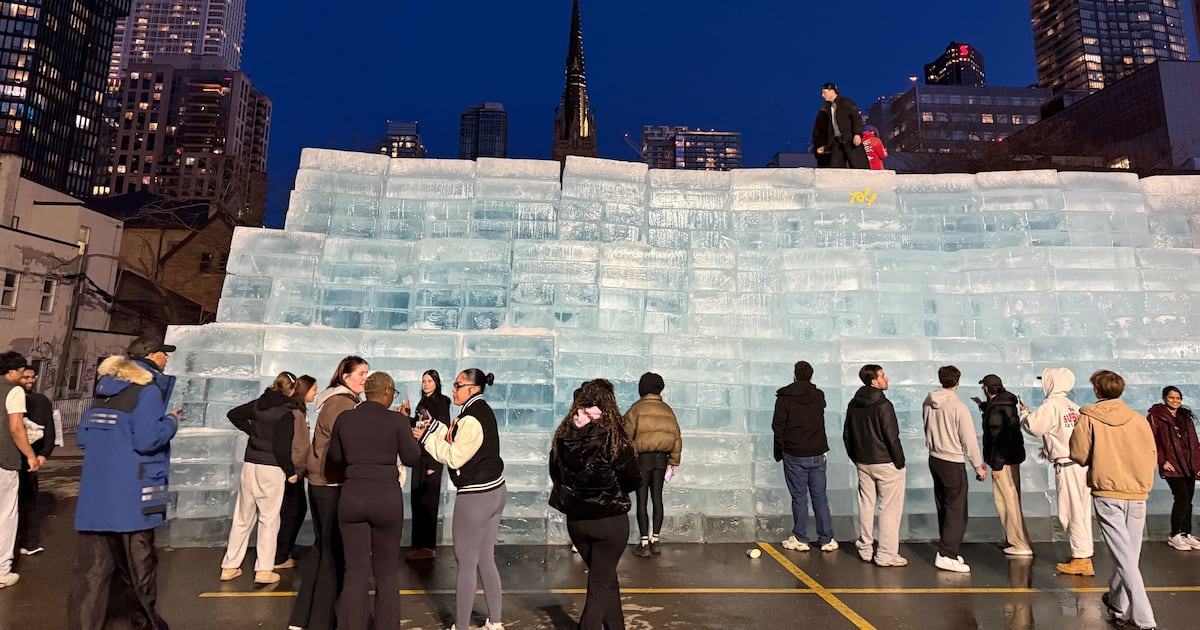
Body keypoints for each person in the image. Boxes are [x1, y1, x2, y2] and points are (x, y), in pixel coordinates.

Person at [66, 337, 178, 628]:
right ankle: (145, 624)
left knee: (91, 573)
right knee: (139, 569)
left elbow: (84, 438)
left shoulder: (105, 389)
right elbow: (147, 439)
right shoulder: (148, 390)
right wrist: (170, 422)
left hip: (96, 496)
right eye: (164, 354)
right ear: (152, 356)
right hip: (132, 496)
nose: (167, 359)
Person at [326, 371, 425, 630]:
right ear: (387, 392)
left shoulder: (345, 418)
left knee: (355, 572)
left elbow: (335, 458)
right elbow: (413, 458)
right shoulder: (396, 421)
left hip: (353, 496)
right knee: (387, 573)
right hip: (385, 498)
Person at [417, 368, 507, 630]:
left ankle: (462, 625)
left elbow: (455, 456)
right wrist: (432, 427)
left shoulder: (470, 419)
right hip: (495, 491)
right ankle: (496, 622)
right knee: (485, 559)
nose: (453, 389)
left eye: (457, 385)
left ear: (472, 388)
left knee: (466, 564)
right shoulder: (480, 411)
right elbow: (456, 437)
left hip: (476, 497)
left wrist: (424, 438)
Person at [1070, 370, 1158, 630]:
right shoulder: (1138, 419)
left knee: (1125, 556)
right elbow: (1151, 454)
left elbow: (1079, 454)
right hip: (1137, 492)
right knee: (1130, 554)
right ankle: (1119, 604)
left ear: (1097, 390)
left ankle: (1144, 618)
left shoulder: (1088, 418)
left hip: (1108, 492)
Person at [550, 379, 641, 630]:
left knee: (606, 580)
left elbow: (556, 474)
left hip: (577, 521)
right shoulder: (614, 438)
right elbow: (633, 478)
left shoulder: (563, 437)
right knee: (601, 584)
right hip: (609, 521)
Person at [289, 356, 368, 630]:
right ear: (345, 377)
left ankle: (303, 618)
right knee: (332, 553)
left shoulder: (342, 402)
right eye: (360, 373)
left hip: (324, 482)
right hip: (330, 483)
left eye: (367, 374)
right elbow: (346, 443)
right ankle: (321, 619)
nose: (364, 379)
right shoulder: (341, 404)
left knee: (322, 549)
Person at [218, 371, 299, 584]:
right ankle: (264, 569)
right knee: (269, 519)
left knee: (243, 518)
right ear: (292, 390)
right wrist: (290, 472)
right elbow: (282, 448)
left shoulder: (258, 404)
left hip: (250, 465)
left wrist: (252, 431)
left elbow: (233, 414)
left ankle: (229, 565)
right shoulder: (286, 413)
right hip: (271, 469)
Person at [1020, 368, 1093, 575]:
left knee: (1070, 512)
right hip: (1081, 464)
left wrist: (1024, 414)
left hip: (1068, 466)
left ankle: (1082, 559)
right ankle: (1083, 554)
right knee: (1081, 511)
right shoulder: (1073, 406)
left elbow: (1034, 427)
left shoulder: (1051, 405)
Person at [922, 365, 985, 573]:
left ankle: (948, 548)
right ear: (958, 382)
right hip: (952, 461)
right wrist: (979, 466)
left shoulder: (928, 401)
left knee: (944, 506)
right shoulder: (958, 407)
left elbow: (926, 426)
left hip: (935, 458)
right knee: (957, 509)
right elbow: (968, 440)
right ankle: (947, 553)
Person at [843, 364, 907, 567]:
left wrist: (856, 457)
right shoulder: (883, 405)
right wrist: (899, 462)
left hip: (863, 461)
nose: (886, 378)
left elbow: (847, 434)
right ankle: (886, 554)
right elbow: (892, 436)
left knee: (866, 504)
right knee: (889, 508)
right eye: (882, 376)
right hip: (885, 462)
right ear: (874, 382)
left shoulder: (854, 403)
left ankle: (865, 547)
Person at [773, 360, 837, 553]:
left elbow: (778, 425)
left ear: (794, 374)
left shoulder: (785, 397)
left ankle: (801, 537)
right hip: (817, 452)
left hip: (794, 453)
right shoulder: (818, 396)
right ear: (811, 375)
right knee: (820, 497)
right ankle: (826, 538)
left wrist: (780, 449)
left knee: (799, 497)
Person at [623, 372, 682, 558]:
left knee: (642, 500)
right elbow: (676, 437)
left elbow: (626, 437)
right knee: (657, 498)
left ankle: (643, 543)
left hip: (641, 460)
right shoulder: (667, 410)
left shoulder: (635, 409)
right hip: (661, 460)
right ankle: (655, 540)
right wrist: (673, 461)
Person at [973, 374, 1032, 556]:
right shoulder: (1005, 404)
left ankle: (1020, 544)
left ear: (986, 389)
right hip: (1011, 458)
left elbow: (1000, 437)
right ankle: (1013, 538)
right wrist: (982, 406)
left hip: (1003, 462)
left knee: (1008, 501)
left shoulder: (998, 409)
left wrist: (996, 466)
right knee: (1010, 500)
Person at [400, 369, 451, 561]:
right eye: (423, 381)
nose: (426, 384)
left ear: (436, 382)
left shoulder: (442, 401)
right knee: (417, 499)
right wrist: (406, 417)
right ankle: (417, 543)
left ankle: (427, 546)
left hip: (432, 457)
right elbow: (419, 427)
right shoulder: (422, 403)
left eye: (429, 380)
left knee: (428, 502)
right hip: (420, 456)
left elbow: (442, 429)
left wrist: (432, 462)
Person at [1, 351, 39, 589]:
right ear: (13, 371)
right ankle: (2, 570)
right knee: (6, 514)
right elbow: (16, 428)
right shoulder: (14, 391)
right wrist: (30, 455)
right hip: (3, 459)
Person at [1147, 385, 1200, 551]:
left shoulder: (1185, 416)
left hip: (1188, 463)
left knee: (1188, 500)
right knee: (1182, 497)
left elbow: (1193, 441)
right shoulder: (1155, 416)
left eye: (1178, 398)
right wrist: (1162, 460)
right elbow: (1151, 440)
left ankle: (1186, 533)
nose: (1175, 401)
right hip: (1172, 464)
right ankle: (1174, 534)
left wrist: (1198, 464)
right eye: (1171, 398)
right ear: (1164, 398)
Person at [275, 374, 317, 569]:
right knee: (292, 510)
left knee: (296, 509)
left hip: (296, 469)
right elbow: (298, 445)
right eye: (313, 389)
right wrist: (300, 468)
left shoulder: (300, 411)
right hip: (294, 471)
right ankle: (280, 556)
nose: (315, 393)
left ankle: (286, 548)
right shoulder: (297, 413)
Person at [16, 366, 54, 558]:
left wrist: (43, 454)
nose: (30, 381)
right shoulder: (14, 398)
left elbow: (49, 429)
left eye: (32, 377)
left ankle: (27, 542)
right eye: (26, 377)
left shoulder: (41, 401)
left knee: (28, 503)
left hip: (28, 461)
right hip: (18, 458)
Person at [817, 82, 869, 169]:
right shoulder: (827, 108)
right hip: (836, 142)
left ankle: (864, 182)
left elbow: (856, 118)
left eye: (824, 93)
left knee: (858, 164)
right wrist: (826, 145)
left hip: (850, 139)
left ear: (832, 91)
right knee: (836, 167)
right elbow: (828, 127)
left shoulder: (846, 102)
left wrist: (857, 134)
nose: (822, 95)